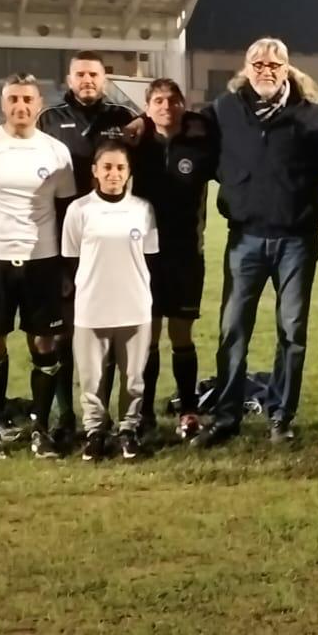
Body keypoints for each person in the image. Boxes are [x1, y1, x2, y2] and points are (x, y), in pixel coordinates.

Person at [193, 37, 318, 447]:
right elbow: (191, 140)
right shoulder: (224, 110)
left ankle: (280, 415)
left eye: (275, 63)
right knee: (233, 331)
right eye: (258, 62)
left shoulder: (311, 115)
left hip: (296, 240)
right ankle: (226, 415)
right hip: (245, 237)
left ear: (288, 67)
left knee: (292, 332)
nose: (266, 69)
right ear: (245, 66)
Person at [0, 75, 77, 459]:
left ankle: (40, 428)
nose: (20, 106)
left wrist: (68, 270)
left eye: (27, 99)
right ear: (2, 105)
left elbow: (67, 212)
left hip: (43, 261)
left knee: (45, 343)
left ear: (39, 105)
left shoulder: (56, 151)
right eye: (13, 100)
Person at [36, 51, 142, 452]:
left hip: (111, 241)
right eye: (80, 73)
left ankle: (112, 420)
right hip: (63, 243)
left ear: (104, 77)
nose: (87, 80)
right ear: (70, 76)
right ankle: (67, 416)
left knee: (111, 332)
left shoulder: (122, 118)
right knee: (65, 334)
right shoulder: (49, 119)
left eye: (94, 74)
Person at [123, 78, 219, 442]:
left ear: (183, 103)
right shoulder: (137, 142)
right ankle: (145, 412)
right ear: (148, 107)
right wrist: (138, 122)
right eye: (158, 101)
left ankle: (189, 410)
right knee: (148, 334)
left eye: (172, 100)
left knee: (182, 333)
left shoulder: (200, 142)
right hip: (144, 252)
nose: (166, 106)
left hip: (186, 253)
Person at [61, 140, 160, 460]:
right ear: (95, 171)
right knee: (92, 378)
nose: (113, 174)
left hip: (134, 306)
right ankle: (95, 433)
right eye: (107, 167)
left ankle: (128, 431)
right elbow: (70, 259)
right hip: (91, 308)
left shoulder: (142, 209)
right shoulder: (79, 210)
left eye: (120, 168)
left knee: (133, 379)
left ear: (129, 172)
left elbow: (149, 258)